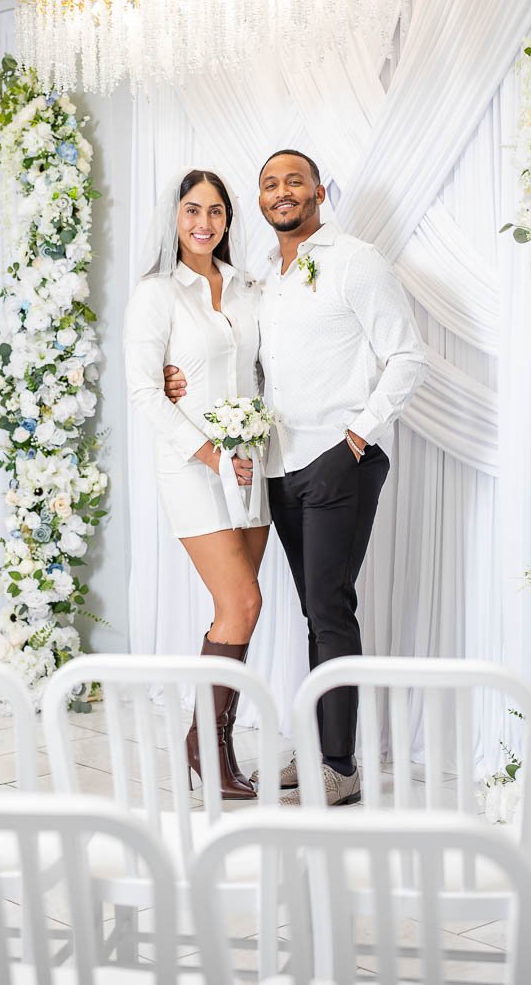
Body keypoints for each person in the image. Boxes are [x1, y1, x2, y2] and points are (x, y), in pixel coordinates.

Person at [163, 149, 429, 805]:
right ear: (261, 201)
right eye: (269, 184)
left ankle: (339, 764)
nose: (282, 192)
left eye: (294, 181)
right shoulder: (265, 282)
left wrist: (359, 435)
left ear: (316, 192)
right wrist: (178, 381)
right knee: (315, 609)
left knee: (332, 608)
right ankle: (317, 748)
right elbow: (236, 358)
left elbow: (407, 355)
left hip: (340, 458)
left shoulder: (355, 260)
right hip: (280, 466)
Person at [123, 168, 269, 800]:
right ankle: (207, 750)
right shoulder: (156, 294)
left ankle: (207, 742)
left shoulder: (248, 291)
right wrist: (208, 451)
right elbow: (143, 392)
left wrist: (247, 446)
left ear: (229, 221)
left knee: (236, 609)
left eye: (215, 211)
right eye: (191, 211)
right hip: (192, 466)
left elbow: (267, 369)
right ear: (174, 219)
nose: (203, 223)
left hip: (249, 465)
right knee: (243, 603)